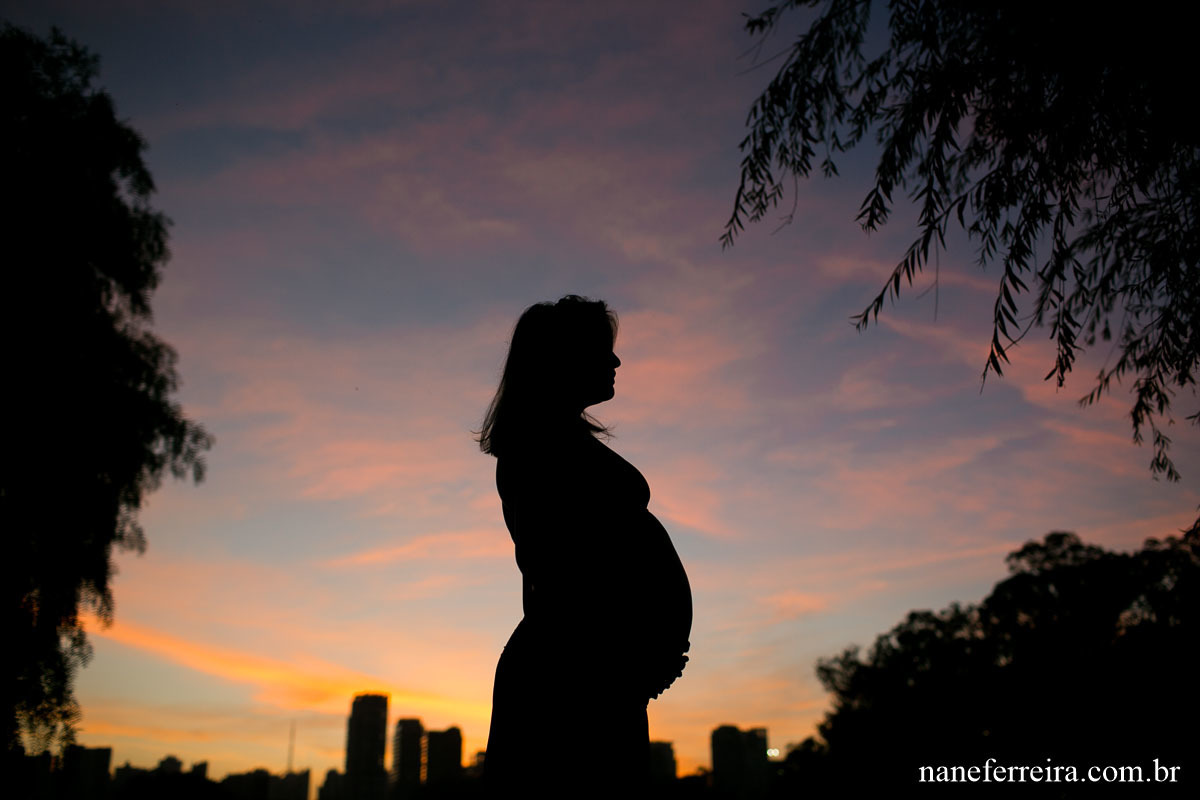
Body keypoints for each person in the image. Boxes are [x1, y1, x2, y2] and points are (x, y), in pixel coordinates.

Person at [478, 295, 692, 797]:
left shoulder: (560, 443)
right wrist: (629, 652)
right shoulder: (537, 448)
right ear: (560, 358)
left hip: (596, 674)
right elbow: (567, 571)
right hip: (571, 682)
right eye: (601, 350)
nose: (616, 362)